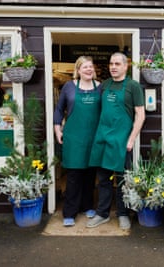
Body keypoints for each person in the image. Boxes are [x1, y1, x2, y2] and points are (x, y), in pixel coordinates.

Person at [87, 52, 145, 230]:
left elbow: (140, 115)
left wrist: (131, 139)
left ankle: (122, 214)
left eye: (117, 64)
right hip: (103, 137)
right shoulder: (104, 85)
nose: (113, 67)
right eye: (111, 63)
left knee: (121, 180)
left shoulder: (133, 86)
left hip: (122, 140)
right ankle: (102, 213)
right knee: (103, 179)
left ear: (125, 66)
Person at [54, 56, 102, 227]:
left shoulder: (100, 87)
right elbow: (59, 109)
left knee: (90, 174)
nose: (88, 69)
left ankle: (88, 206)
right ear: (78, 70)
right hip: (74, 137)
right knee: (74, 175)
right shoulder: (69, 86)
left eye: (91, 66)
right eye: (85, 67)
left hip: (93, 136)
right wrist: (57, 128)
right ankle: (69, 213)